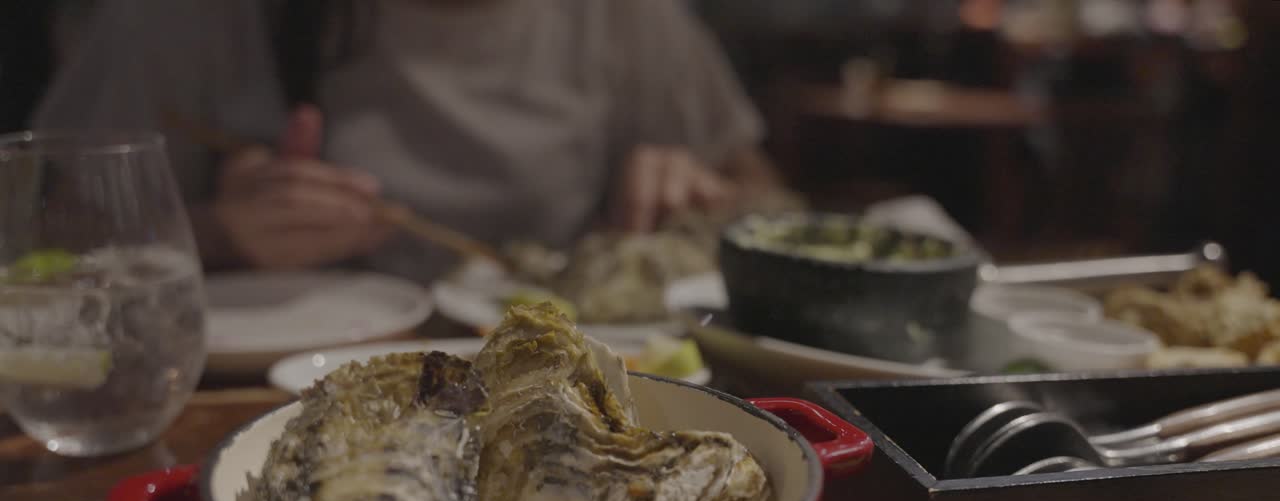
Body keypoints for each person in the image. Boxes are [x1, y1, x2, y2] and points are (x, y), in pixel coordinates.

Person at [31, 0, 778, 279]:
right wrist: (214, 234)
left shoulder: (626, 18)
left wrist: (699, 195)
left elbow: (770, 198)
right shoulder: (184, 19)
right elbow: (33, 230)